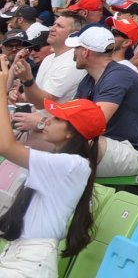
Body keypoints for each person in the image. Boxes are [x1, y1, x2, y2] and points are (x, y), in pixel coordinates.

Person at [0, 78, 103, 278]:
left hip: (29, 264)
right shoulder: (63, 162)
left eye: (57, 119)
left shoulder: (73, 165)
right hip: (18, 257)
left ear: (71, 134)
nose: (46, 120)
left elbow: (6, 147)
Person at [64, 27, 138, 179]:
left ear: (85, 52)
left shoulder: (119, 76)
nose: (73, 53)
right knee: (46, 138)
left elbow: (94, 122)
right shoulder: (88, 79)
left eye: (76, 48)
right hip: (105, 145)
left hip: (131, 152)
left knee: (67, 142)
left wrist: (44, 124)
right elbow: (68, 115)